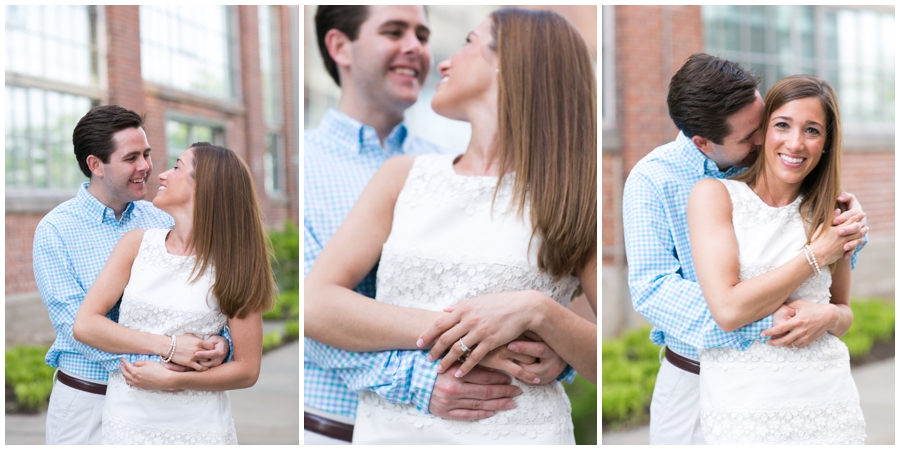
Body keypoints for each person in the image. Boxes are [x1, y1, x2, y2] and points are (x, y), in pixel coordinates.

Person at [305, 8, 596, 444]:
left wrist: (541, 313)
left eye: (466, 42)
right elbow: (316, 303)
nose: (439, 60)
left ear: (509, 61)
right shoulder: (403, 175)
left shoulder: (576, 195)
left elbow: (607, 353)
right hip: (389, 431)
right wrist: (468, 334)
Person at [622, 54, 868, 444]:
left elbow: (825, 258)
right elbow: (654, 290)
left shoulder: (773, 162)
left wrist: (850, 225)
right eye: (751, 136)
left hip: (811, 389)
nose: (767, 142)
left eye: (763, 123)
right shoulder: (655, 180)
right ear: (704, 142)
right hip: (693, 375)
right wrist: (774, 321)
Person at [32, 105, 230, 445]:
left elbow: (200, 299)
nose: (146, 168)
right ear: (96, 165)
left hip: (157, 404)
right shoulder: (56, 230)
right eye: (131, 158)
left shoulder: (163, 218)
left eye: (148, 154)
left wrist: (221, 342)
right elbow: (76, 327)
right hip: (88, 403)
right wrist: (169, 354)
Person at [688, 74, 866, 444]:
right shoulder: (715, 196)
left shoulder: (833, 212)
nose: (795, 143)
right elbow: (728, 310)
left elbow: (844, 312)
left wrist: (830, 315)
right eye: (782, 125)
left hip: (828, 404)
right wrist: (817, 255)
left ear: (826, 143)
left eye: (812, 130)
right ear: (762, 131)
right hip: (744, 410)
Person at [73, 143, 274, 444]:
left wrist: (176, 379)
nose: (163, 174)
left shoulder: (236, 264)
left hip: (198, 427)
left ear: (204, 187)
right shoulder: (136, 245)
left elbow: (248, 370)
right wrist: (170, 346)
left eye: (177, 167)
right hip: (127, 421)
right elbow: (85, 325)